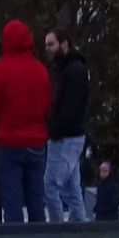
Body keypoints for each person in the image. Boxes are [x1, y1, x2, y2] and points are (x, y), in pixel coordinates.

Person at [0, 20, 51, 223]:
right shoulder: (40, 70)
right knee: (36, 202)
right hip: (37, 142)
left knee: (12, 205)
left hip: (8, 143)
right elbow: (46, 104)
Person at [41, 28, 91, 223]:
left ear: (64, 43)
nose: (48, 49)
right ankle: (79, 228)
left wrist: (54, 129)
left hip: (66, 137)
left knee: (51, 186)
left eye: (51, 44)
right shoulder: (69, 68)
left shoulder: (74, 70)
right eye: (46, 45)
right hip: (69, 136)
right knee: (72, 189)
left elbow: (72, 107)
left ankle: (58, 230)